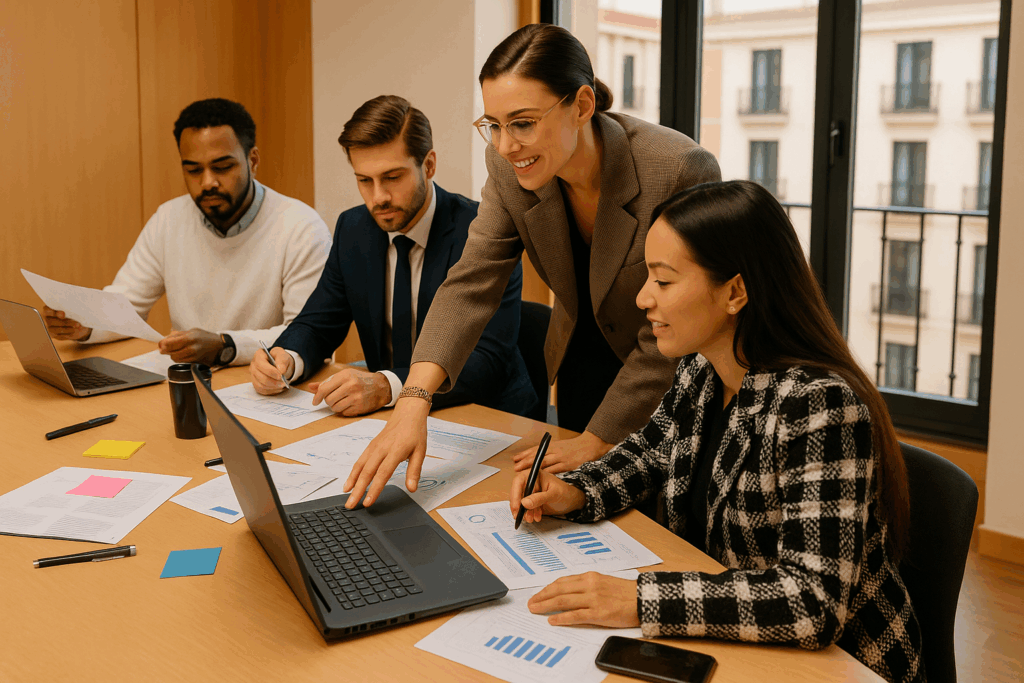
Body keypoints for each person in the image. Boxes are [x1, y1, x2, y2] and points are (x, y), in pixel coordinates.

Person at [509, 180, 924, 683]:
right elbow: (649, 453)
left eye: (663, 282)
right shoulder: (702, 369)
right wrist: (574, 491)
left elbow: (811, 601)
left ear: (735, 292)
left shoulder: (819, 405)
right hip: (737, 642)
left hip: (838, 666)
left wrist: (641, 599)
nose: (643, 299)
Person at [343, 24, 721, 508]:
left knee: (659, 515)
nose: (504, 146)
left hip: (668, 367)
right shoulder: (510, 167)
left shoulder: (676, 169)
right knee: (580, 506)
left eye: (522, 123)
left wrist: (601, 436)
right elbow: (471, 282)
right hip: (582, 354)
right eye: (493, 125)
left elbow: (680, 320)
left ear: (582, 106)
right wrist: (413, 400)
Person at [250, 96, 538, 418]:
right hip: (387, 416)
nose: (378, 198)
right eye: (364, 180)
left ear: (428, 165)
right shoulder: (354, 228)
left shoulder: (484, 232)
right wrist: (287, 357)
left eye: (392, 177)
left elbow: (488, 360)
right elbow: (318, 323)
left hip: (485, 416)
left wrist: (388, 387)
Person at [43, 98, 331, 367]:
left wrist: (224, 345)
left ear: (253, 161)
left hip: (273, 384)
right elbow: (126, 306)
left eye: (222, 167)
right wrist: (85, 324)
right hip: (191, 379)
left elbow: (307, 334)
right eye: (193, 170)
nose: (208, 183)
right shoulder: (169, 219)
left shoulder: (301, 227)